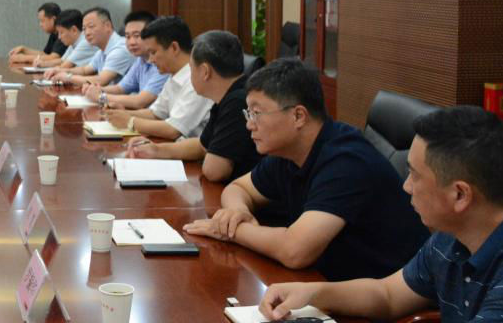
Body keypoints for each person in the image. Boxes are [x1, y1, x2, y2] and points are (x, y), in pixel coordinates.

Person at [258, 106, 503, 323]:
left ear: (460, 195)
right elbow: (387, 294)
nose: (406, 186)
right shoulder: (452, 235)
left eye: (415, 175)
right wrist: (312, 293)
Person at [183, 58, 429, 281]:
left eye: (257, 113)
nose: (249, 124)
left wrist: (232, 231)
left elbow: (295, 251)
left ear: (298, 116)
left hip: (381, 301)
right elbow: (238, 188)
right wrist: (236, 212)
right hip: (325, 283)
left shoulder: (346, 162)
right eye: (249, 113)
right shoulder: (289, 152)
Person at [124, 30, 260, 182]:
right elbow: (202, 146)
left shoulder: (239, 101)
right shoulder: (227, 97)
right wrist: (156, 150)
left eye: (191, 68)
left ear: (205, 72)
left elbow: (214, 171)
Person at [104, 16, 212, 140]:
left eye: (153, 52)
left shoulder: (197, 80)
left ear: (174, 48)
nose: (150, 60)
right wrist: (123, 113)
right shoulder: (174, 76)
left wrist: (129, 121)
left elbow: (173, 130)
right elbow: (156, 114)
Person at [82, 11, 169, 108]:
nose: (132, 42)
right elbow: (120, 88)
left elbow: (140, 101)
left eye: (137, 36)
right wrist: (95, 90)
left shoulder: (163, 63)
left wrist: (101, 97)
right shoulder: (140, 60)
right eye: (128, 37)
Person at [45, 7, 132, 86]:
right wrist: (61, 71)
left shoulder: (119, 49)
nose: (87, 33)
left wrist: (68, 77)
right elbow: (85, 70)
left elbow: (101, 80)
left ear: (107, 26)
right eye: (84, 29)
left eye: (91, 26)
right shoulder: (101, 50)